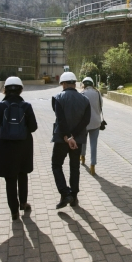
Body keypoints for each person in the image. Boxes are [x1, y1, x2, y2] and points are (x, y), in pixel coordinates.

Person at [0, 77, 37, 220]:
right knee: (23, 174)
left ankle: (14, 211)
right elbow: (33, 127)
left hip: (5, 146)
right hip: (24, 145)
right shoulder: (26, 106)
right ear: (21, 89)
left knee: (10, 178)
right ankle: (23, 203)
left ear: (5, 89)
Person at [51, 71, 90, 209]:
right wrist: (74, 135)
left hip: (62, 139)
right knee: (75, 167)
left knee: (56, 165)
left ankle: (65, 193)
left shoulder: (58, 98)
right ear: (74, 83)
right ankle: (74, 196)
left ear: (64, 83)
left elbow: (60, 119)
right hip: (77, 140)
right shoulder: (85, 100)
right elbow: (86, 120)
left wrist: (67, 136)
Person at [80, 77, 102, 176]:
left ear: (84, 84)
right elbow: (101, 106)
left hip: (84, 123)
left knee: (83, 142)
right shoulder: (97, 93)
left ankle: (82, 157)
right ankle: (93, 165)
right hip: (96, 122)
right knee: (94, 145)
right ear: (92, 84)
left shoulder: (82, 93)